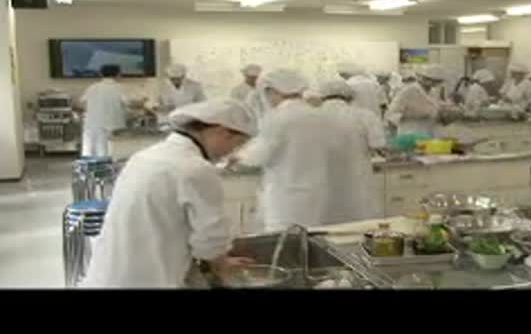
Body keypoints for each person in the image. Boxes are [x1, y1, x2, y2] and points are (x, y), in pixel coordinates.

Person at [82, 99, 257, 288]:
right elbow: (209, 241)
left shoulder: (146, 156)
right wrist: (222, 265)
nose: (230, 152)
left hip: (108, 275)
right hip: (147, 279)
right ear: (222, 133)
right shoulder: (196, 168)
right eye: (237, 144)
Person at [236, 69, 364, 230]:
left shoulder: (277, 118)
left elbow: (256, 157)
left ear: (272, 91)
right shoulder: (322, 117)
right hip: (321, 196)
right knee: (316, 238)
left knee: (286, 240)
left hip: (287, 200)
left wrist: (238, 155)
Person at [317, 78, 387, 221]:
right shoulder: (365, 116)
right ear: (350, 97)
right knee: (358, 224)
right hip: (357, 180)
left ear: (322, 97)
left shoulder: (310, 117)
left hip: (321, 183)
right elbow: (379, 145)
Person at [79, 64, 129, 157]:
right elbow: (129, 103)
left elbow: (82, 104)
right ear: (118, 74)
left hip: (92, 125)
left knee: (91, 154)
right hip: (112, 126)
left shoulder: (92, 87)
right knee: (109, 155)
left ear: (101, 74)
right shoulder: (119, 87)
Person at [385, 65, 446, 136]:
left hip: (427, 131)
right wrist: (411, 115)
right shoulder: (409, 91)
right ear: (424, 78)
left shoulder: (433, 92)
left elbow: (434, 108)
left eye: (438, 81)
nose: (435, 83)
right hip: (409, 132)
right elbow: (391, 114)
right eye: (433, 80)